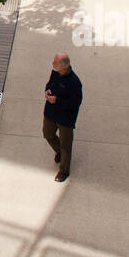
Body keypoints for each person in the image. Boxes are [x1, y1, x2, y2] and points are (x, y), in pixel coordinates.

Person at [42, 52, 83, 182]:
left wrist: (57, 101)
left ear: (63, 66)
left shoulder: (74, 82)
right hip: (51, 112)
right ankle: (59, 152)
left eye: (55, 62)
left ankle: (64, 171)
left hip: (65, 118)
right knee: (47, 134)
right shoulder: (55, 73)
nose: (53, 64)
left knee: (66, 145)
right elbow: (49, 84)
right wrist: (47, 90)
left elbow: (75, 103)